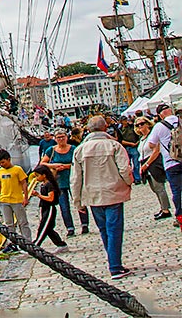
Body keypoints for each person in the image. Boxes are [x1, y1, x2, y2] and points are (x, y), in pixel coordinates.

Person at [74, 113, 134, 278]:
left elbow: (76, 178)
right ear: (105, 128)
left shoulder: (80, 150)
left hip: (93, 194)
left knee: (103, 229)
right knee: (114, 229)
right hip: (113, 192)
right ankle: (115, 266)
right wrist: (129, 182)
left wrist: (77, 201)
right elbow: (124, 169)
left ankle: (113, 261)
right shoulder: (113, 146)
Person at [145, 101, 182, 231]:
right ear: (171, 110)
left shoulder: (159, 126)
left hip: (171, 163)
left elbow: (151, 144)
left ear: (160, 115)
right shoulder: (180, 120)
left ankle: (180, 216)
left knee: (177, 191)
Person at [135, 114, 173, 220]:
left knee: (159, 186)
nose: (140, 126)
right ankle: (162, 207)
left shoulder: (153, 136)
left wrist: (147, 164)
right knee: (154, 188)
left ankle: (166, 209)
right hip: (144, 163)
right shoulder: (142, 139)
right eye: (138, 125)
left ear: (147, 124)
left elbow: (156, 150)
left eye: (142, 124)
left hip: (153, 163)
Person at [0, 149, 30, 241]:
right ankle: (12, 242)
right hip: (4, 200)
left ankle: (28, 240)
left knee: (22, 222)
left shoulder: (17, 169)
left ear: (8, 159)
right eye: (0, 163)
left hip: (16, 200)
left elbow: (24, 183)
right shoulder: (0, 171)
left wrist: (26, 198)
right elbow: (1, 183)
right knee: (8, 223)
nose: (1, 165)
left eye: (3, 162)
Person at [44, 128, 78, 236]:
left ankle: (84, 224)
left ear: (67, 137)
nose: (61, 139)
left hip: (73, 179)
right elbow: (43, 163)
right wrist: (54, 166)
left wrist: (67, 166)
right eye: (58, 137)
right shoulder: (51, 150)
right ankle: (70, 227)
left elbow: (79, 161)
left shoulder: (73, 149)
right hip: (59, 181)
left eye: (63, 137)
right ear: (55, 139)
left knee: (79, 202)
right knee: (64, 206)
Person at [28, 164, 69, 250]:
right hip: (44, 208)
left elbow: (51, 198)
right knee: (49, 229)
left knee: (43, 227)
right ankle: (61, 244)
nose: (37, 178)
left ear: (44, 175)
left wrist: (38, 195)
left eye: (38, 176)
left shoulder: (49, 184)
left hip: (49, 208)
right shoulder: (44, 184)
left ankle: (36, 245)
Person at [116, 115, 141, 184]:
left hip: (134, 146)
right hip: (126, 147)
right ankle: (131, 178)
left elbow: (137, 134)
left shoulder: (131, 126)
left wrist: (137, 142)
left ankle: (137, 178)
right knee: (128, 164)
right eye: (124, 120)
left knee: (136, 163)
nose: (125, 122)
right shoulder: (119, 129)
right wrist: (130, 143)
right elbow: (120, 140)